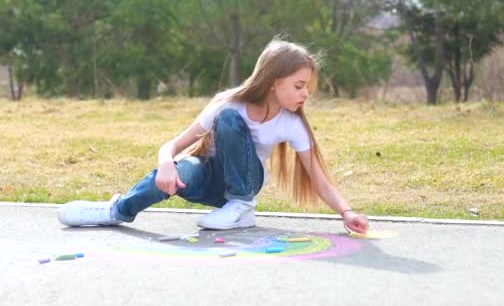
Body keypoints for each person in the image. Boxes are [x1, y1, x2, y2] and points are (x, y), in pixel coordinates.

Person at [57, 39, 369, 234]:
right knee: (192, 159)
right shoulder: (229, 102)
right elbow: (174, 145)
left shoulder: (292, 124)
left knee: (230, 125)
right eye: (299, 85)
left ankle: (241, 205)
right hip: (208, 180)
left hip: (244, 183)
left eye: (308, 88)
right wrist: (167, 163)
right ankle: (117, 210)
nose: (305, 94)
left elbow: (318, 177)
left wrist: (346, 212)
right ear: (274, 81)